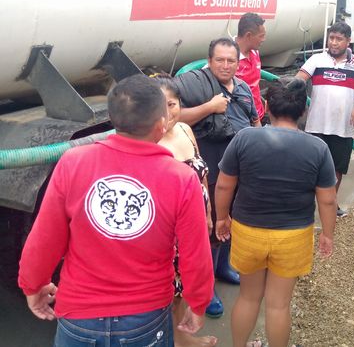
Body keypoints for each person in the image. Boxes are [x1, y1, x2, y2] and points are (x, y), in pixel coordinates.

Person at [18, 74, 214, 346]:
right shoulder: (181, 178)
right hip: (146, 315)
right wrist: (198, 302)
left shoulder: (73, 162)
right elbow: (195, 252)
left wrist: (33, 284)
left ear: (112, 119)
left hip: (79, 313)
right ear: (161, 125)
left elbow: (45, 237)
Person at [215, 78, 337, 347]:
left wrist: (222, 217)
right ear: (303, 111)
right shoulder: (318, 148)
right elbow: (328, 201)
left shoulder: (244, 137)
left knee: (248, 297)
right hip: (293, 236)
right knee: (279, 305)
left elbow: (224, 184)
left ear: (267, 106)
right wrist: (328, 234)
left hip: (249, 231)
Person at [174, 37, 260, 318]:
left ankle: (223, 267)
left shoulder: (244, 88)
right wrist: (209, 107)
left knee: (232, 220)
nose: (225, 65)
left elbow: (255, 121)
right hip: (211, 172)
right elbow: (174, 117)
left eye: (230, 60)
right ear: (209, 61)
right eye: (219, 60)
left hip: (240, 171)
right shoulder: (195, 85)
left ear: (238, 63)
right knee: (210, 229)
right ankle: (207, 286)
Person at [152, 73, 217, 347]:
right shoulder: (152, 142)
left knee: (181, 289)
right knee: (169, 289)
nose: (168, 113)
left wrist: (208, 213)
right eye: (160, 106)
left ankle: (180, 337)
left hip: (195, 225)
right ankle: (173, 339)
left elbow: (202, 174)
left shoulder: (185, 130)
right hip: (170, 233)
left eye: (172, 104)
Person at [295, 21, 354, 218]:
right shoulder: (317, 60)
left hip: (343, 128)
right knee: (310, 168)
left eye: (339, 39)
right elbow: (298, 80)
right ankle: (305, 206)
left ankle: (331, 204)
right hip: (316, 127)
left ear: (348, 41)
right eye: (331, 38)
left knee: (336, 170)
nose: (333, 42)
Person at [235, 12, 267, 122]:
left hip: (258, 117)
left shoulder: (255, 52)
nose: (264, 39)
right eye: (261, 36)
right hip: (241, 120)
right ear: (248, 35)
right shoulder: (227, 57)